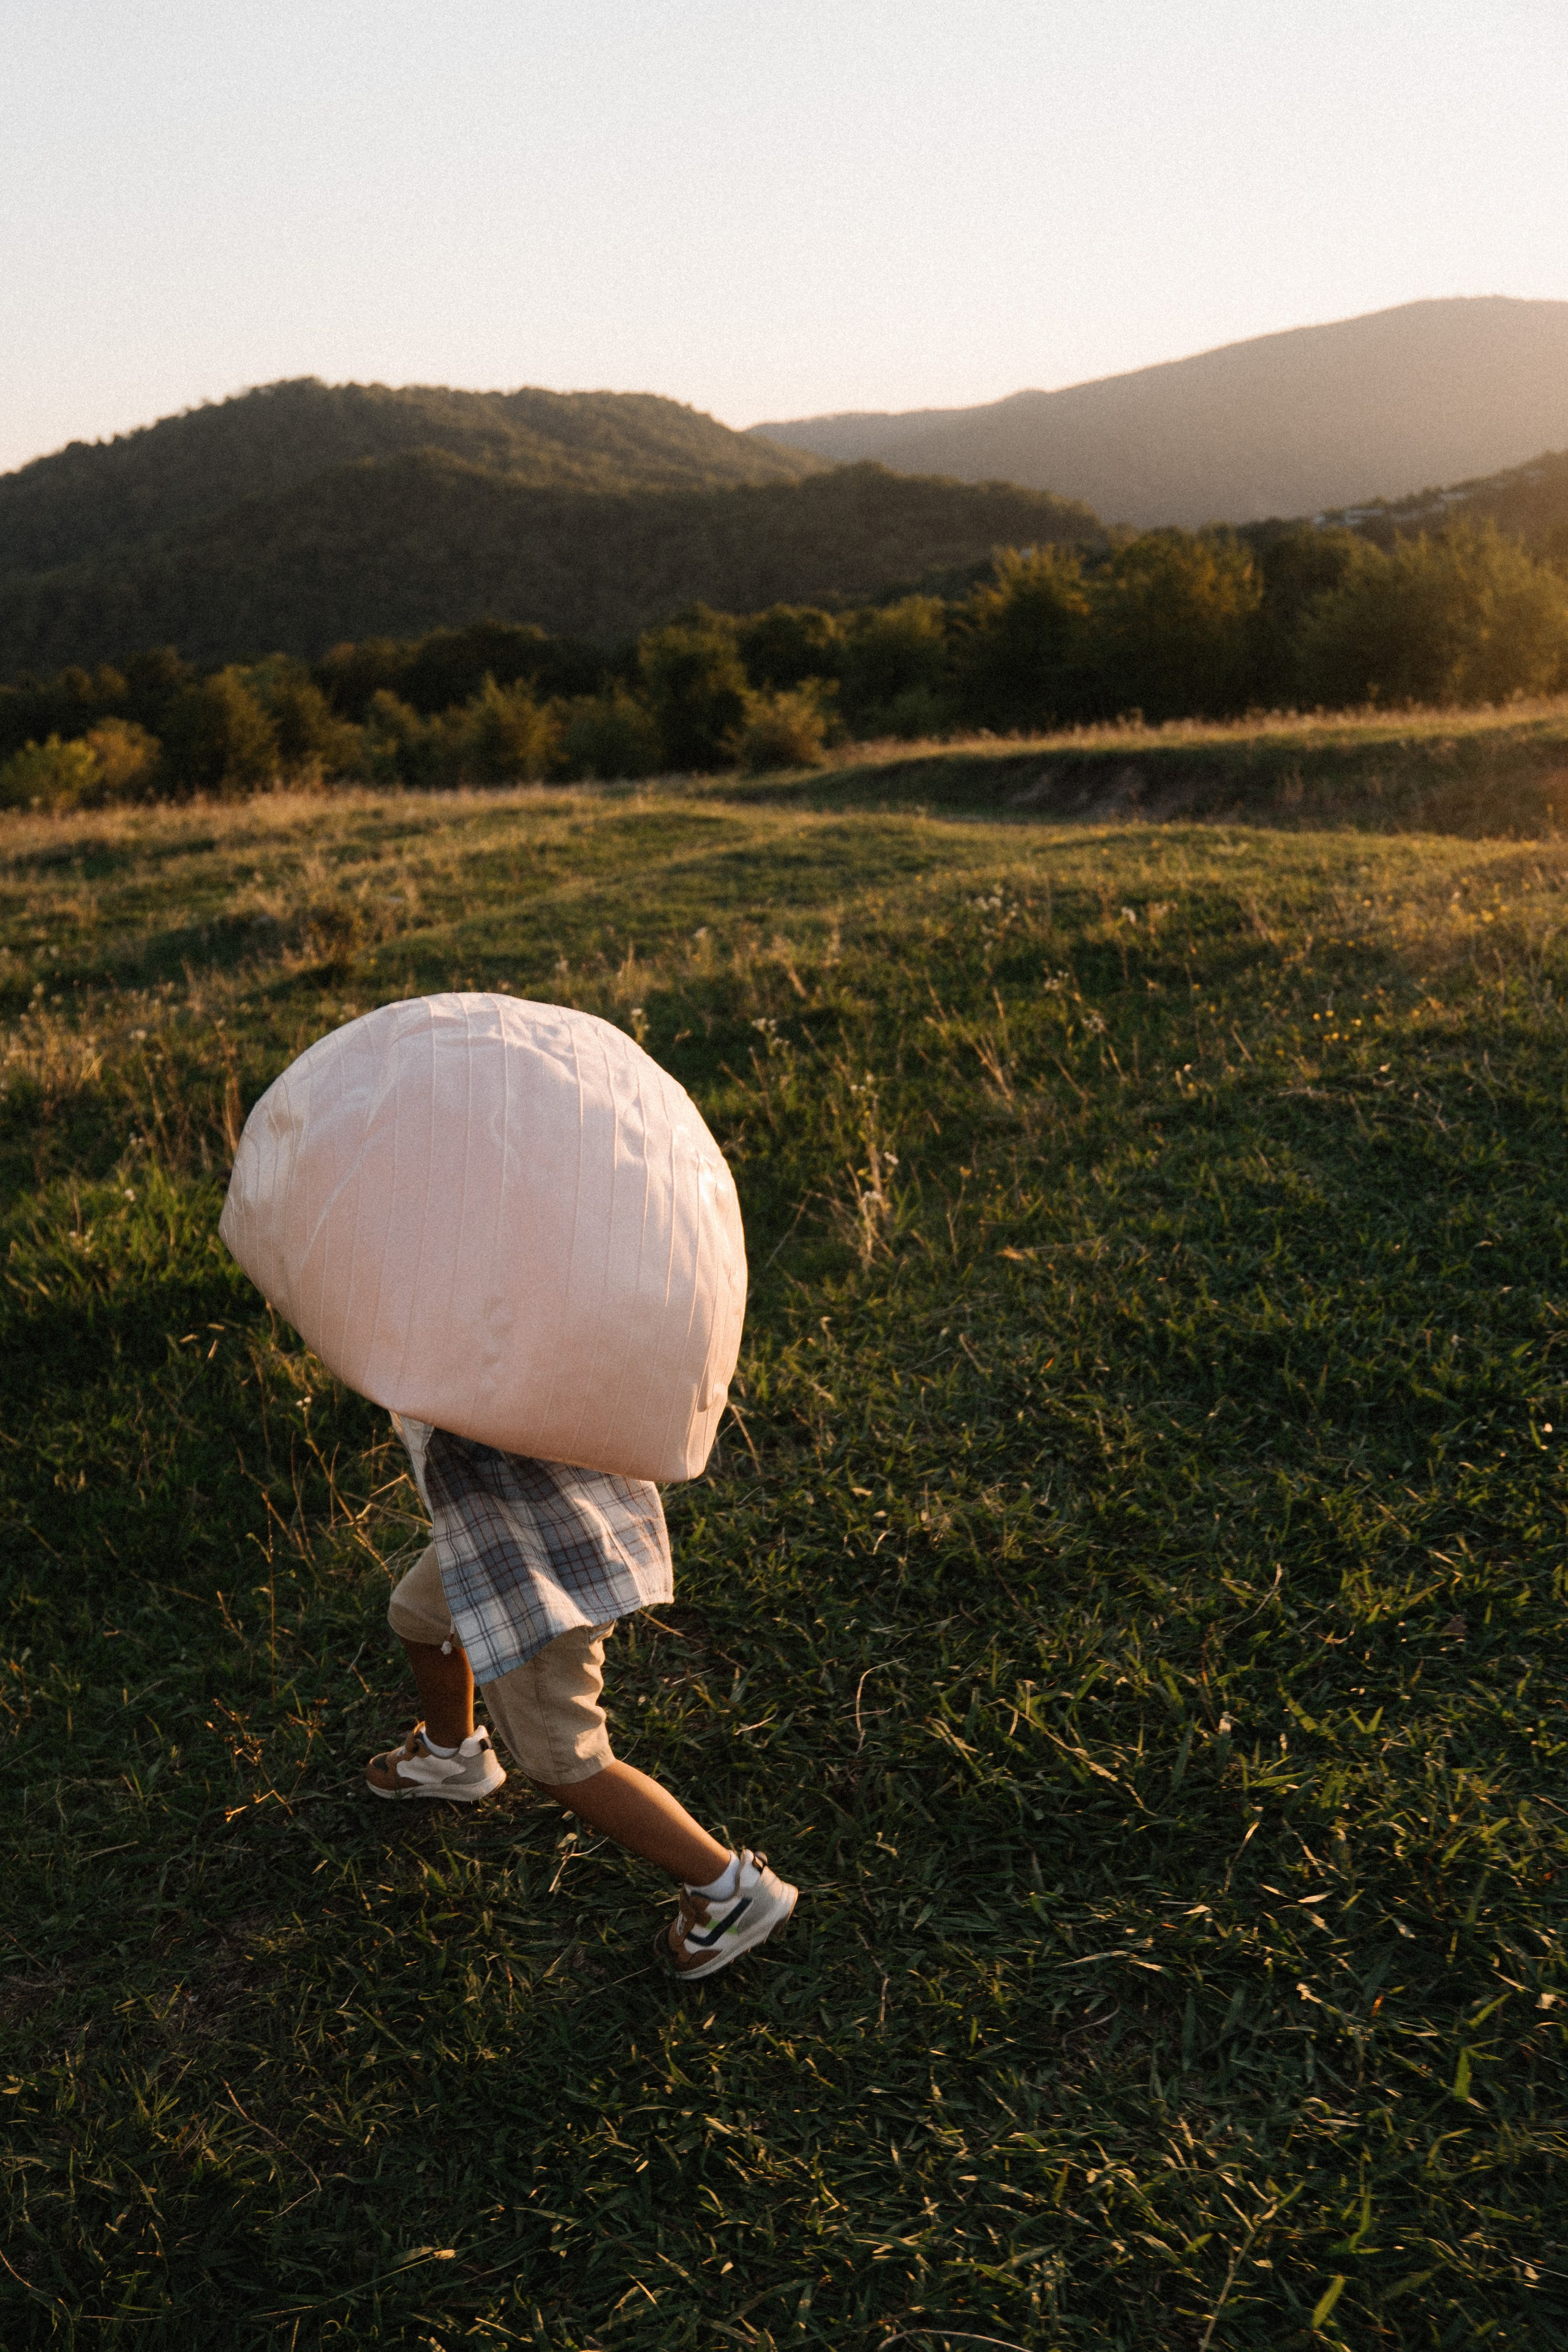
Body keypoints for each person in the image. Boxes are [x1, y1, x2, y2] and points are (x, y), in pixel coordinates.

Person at [363, 1417, 796, 1981]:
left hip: (534, 1576)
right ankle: (452, 1756)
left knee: (565, 1763)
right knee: (420, 1616)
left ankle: (732, 1891)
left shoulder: (466, 1368)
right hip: (507, 1535)